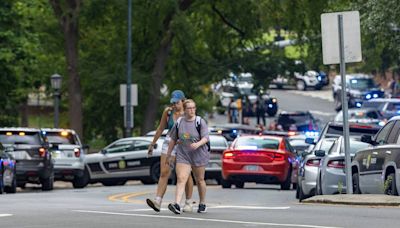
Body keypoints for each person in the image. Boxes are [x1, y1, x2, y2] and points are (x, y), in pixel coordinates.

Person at [146, 90, 194, 213]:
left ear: (183, 101)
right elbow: (161, 128)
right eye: (173, 103)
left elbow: (193, 132)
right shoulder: (168, 112)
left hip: (184, 145)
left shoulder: (189, 112)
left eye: (177, 103)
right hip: (169, 142)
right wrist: (153, 143)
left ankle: (188, 202)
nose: (174, 106)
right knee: (164, 172)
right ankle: (158, 201)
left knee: (184, 175)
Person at [166, 99, 210, 214]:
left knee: (199, 180)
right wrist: (169, 154)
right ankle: (176, 204)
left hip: (198, 154)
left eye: (193, 108)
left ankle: (202, 203)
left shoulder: (200, 122)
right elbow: (173, 139)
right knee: (181, 178)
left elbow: (206, 138)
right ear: (184, 110)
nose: (192, 110)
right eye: (189, 108)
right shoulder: (179, 122)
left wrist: (198, 144)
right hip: (183, 154)